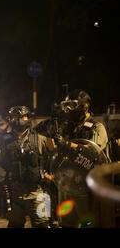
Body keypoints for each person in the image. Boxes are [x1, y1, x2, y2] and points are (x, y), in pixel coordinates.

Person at [34, 89, 109, 227]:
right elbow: (39, 133)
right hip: (67, 187)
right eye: (66, 106)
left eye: (72, 106)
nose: (68, 110)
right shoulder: (67, 127)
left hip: (88, 190)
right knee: (67, 224)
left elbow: (93, 151)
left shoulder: (96, 127)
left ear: (85, 106)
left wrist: (67, 144)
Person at [0, 106, 51, 228]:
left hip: (37, 192)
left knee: (43, 224)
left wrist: (49, 175)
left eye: (22, 117)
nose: (18, 120)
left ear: (28, 118)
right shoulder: (3, 141)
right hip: (14, 193)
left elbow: (52, 159)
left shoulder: (40, 139)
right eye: (14, 117)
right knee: (15, 224)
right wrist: (2, 180)